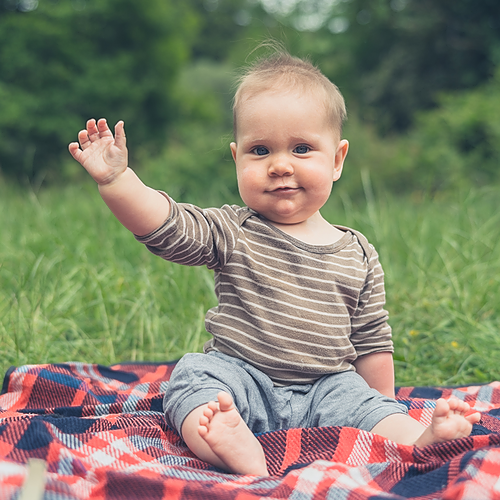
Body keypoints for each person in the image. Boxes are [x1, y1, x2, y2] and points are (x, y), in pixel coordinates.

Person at [69, 50, 481, 477]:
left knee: (368, 406)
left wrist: (382, 408)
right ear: (237, 159)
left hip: (328, 387)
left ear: (337, 160)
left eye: (302, 148)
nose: (280, 165)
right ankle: (229, 442)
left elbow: (372, 340)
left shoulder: (358, 252)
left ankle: (419, 440)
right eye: (260, 150)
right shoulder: (233, 229)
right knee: (192, 381)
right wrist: (119, 182)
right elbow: (168, 226)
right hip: (241, 379)